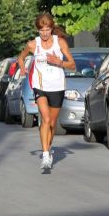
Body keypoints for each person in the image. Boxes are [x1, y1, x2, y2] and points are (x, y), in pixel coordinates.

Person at [18, 13, 75, 169]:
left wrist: (59, 61)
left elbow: (72, 65)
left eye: (47, 29)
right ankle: (44, 155)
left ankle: (47, 149)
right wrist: (23, 69)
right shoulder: (32, 45)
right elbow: (20, 58)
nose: (44, 33)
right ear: (38, 30)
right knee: (46, 119)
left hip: (57, 87)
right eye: (41, 30)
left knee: (52, 124)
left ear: (51, 29)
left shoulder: (60, 43)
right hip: (40, 86)